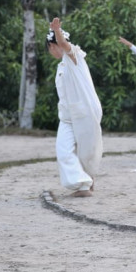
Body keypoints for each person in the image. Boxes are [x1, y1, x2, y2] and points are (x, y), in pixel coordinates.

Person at [46, 17, 103, 198]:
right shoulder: (61, 66)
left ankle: (86, 184)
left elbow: (64, 44)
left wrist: (56, 31)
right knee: (63, 150)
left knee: (87, 151)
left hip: (86, 111)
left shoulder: (74, 56)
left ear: (52, 46)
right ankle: (82, 183)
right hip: (68, 116)